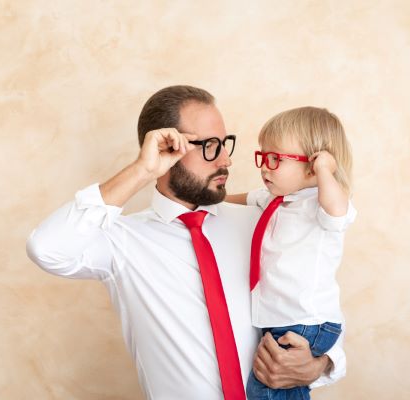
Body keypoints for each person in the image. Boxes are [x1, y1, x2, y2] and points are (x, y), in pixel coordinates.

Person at [26, 86, 345, 400]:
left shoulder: (261, 224)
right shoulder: (121, 241)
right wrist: (142, 170)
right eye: (209, 146)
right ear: (165, 149)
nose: (225, 161)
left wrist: (319, 365)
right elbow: (47, 249)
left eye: (225, 144)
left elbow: (312, 303)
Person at [226, 106, 357, 400]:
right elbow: (235, 200)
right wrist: (207, 200)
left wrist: (326, 171)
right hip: (281, 315)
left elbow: (338, 212)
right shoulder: (275, 198)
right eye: (262, 156)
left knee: (268, 390)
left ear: (312, 165)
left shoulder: (320, 203)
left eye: (275, 159)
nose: (264, 167)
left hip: (304, 319)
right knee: (275, 388)